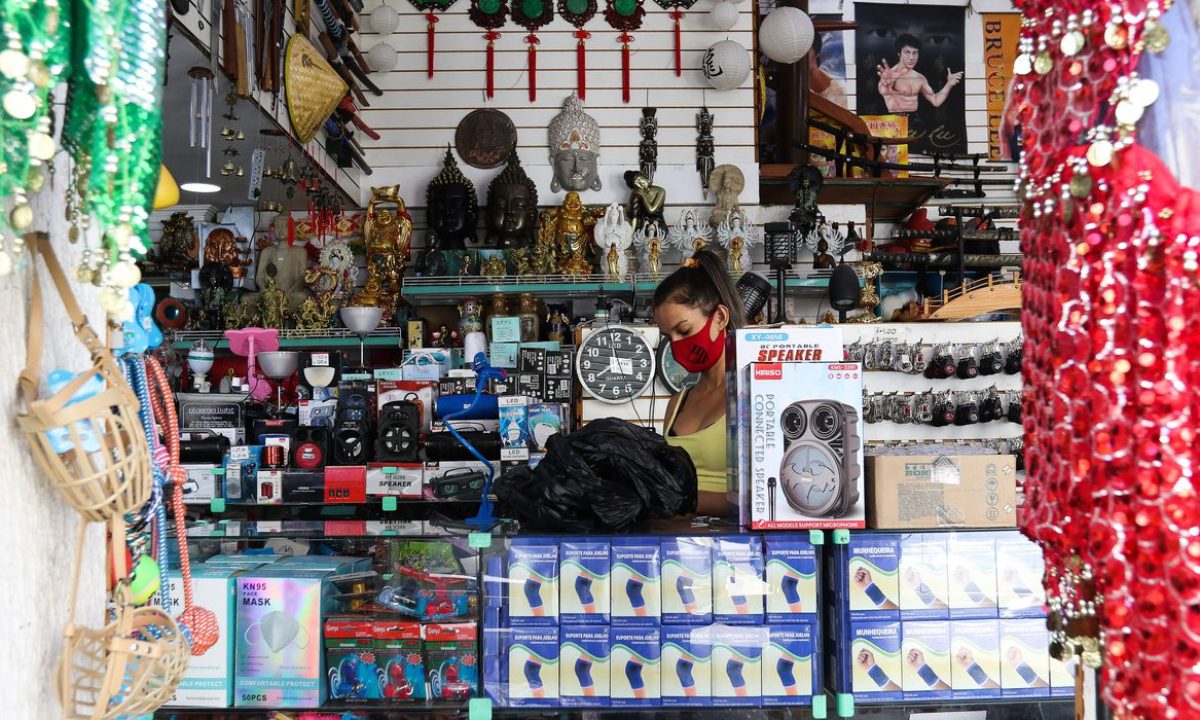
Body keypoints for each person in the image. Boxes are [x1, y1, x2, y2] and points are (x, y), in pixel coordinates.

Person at [652, 250, 745, 517]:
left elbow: (766, 500)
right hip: (680, 539)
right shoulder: (677, 403)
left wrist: (683, 500)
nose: (676, 345)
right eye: (668, 336)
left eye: (684, 330)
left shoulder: (754, 395)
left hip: (736, 541)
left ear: (720, 318)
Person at [876, 33, 963, 113]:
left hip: (915, 121)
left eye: (915, 53)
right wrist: (885, 84)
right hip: (896, 121)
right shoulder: (889, 77)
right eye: (907, 52)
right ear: (899, 53)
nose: (911, 58)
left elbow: (936, 101)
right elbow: (884, 90)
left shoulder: (919, 78)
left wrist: (949, 84)